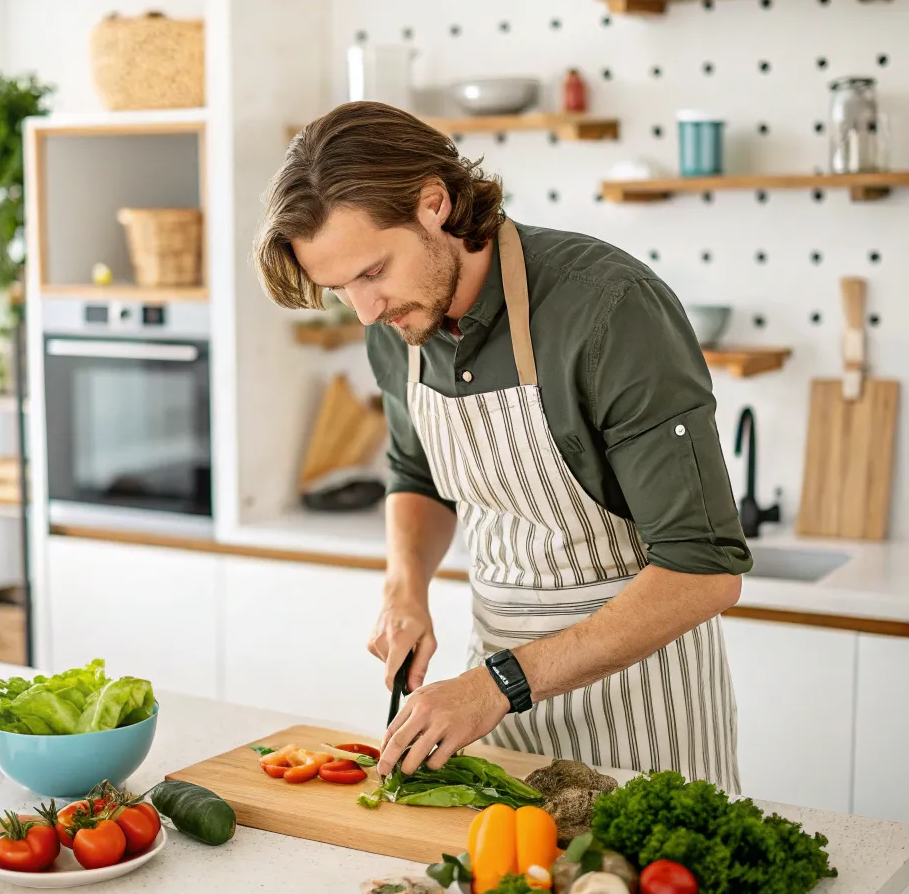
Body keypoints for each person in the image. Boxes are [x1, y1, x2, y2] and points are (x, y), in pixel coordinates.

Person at [254, 101, 751, 790]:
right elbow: (416, 474)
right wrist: (405, 590)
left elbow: (704, 571)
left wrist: (499, 684)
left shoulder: (608, 308)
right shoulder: (398, 325)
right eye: (340, 289)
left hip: (643, 715)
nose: (366, 311)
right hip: (493, 714)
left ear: (434, 204)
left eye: (372, 272)